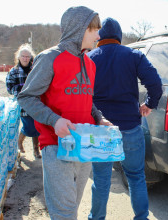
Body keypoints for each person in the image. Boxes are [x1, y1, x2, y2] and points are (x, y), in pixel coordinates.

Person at [17, 6, 111, 220]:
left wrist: (99, 118)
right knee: (64, 214)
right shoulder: (49, 58)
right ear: (79, 29)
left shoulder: (90, 63)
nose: (98, 35)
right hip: (56, 145)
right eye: (94, 29)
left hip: (84, 146)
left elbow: (86, 101)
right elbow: (26, 97)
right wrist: (54, 120)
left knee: (72, 209)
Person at [87, 17, 163, 220]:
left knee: (101, 179)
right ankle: (141, 217)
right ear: (119, 36)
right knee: (136, 176)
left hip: (101, 128)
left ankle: (96, 218)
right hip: (130, 127)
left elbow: (82, 95)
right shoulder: (133, 55)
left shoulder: (90, 58)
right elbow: (155, 83)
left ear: (99, 36)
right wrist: (149, 104)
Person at [6, 43, 41, 158]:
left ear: (31, 57)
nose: (25, 58)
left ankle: (36, 149)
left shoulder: (35, 69)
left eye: (27, 56)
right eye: (23, 56)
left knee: (37, 125)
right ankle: (19, 142)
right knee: (29, 127)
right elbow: (9, 88)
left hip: (36, 102)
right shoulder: (13, 71)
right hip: (22, 104)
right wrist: (22, 90)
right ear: (18, 57)